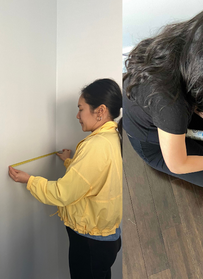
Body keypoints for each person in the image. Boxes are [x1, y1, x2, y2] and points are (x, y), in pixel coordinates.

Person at [123, 4, 203, 190]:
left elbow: (195, 93)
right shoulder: (169, 102)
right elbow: (177, 164)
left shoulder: (187, 46)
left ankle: (202, 146)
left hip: (173, 119)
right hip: (154, 143)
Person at [8, 79, 122, 279]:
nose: (77, 116)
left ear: (100, 111)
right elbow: (94, 178)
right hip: (105, 238)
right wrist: (70, 161)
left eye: (81, 109)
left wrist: (29, 180)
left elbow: (63, 194)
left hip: (90, 242)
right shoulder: (113, 138)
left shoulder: (95, 145)